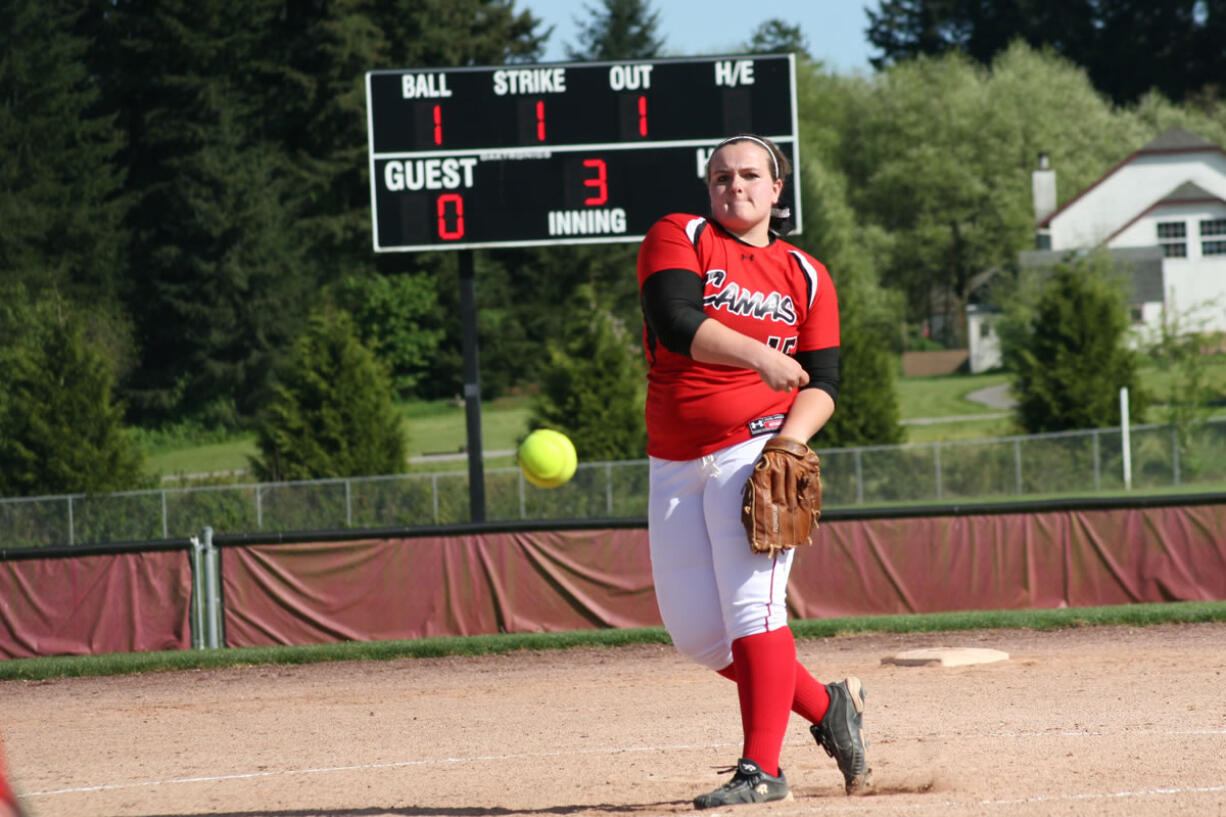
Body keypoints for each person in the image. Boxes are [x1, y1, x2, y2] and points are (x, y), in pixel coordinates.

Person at [636, 134, 871, 809]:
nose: (731, 185)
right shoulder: (679, 234)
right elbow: (674, 318)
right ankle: (829, 708)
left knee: (752, 611)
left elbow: (823, 381)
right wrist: (760, 358)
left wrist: (789, 443)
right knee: (699, 636)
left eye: (747, 175)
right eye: (719, 176)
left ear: (776, 189)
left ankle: (761, 769)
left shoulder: (807, 274)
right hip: (675, 458)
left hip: (755, 446)